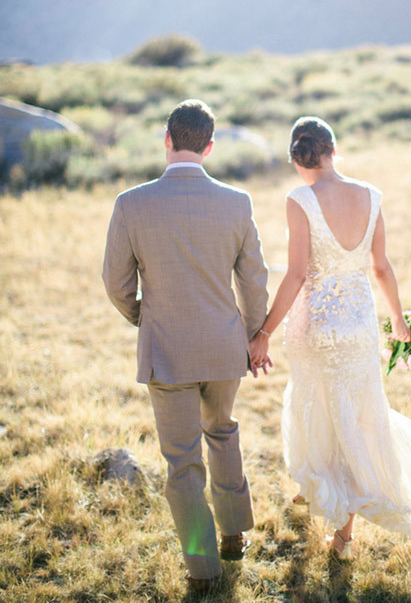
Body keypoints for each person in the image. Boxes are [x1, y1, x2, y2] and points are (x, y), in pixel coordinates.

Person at [249, 116, 411, 558]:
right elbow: (381, 267)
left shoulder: (300, 199)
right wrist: (399, 320)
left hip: (315, 326)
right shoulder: (371, 195)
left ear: (297, 159)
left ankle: (320, 487)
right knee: (355, 414)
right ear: (333, 149)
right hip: (359, 324)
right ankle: (341, 532)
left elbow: (295, 274)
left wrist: (264, 332)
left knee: (316, 404)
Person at [102, 99, 269, 594]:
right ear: (211, 146)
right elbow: (255, 280)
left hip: (166, 349)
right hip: (224, 348)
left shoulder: (131, 203)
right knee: (223, 431)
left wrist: (142, 316)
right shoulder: (238, 202)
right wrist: (255, 335)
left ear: (167, 139)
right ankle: (234, 534)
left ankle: (202, 569)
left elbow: (115, 282)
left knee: (181, 461)